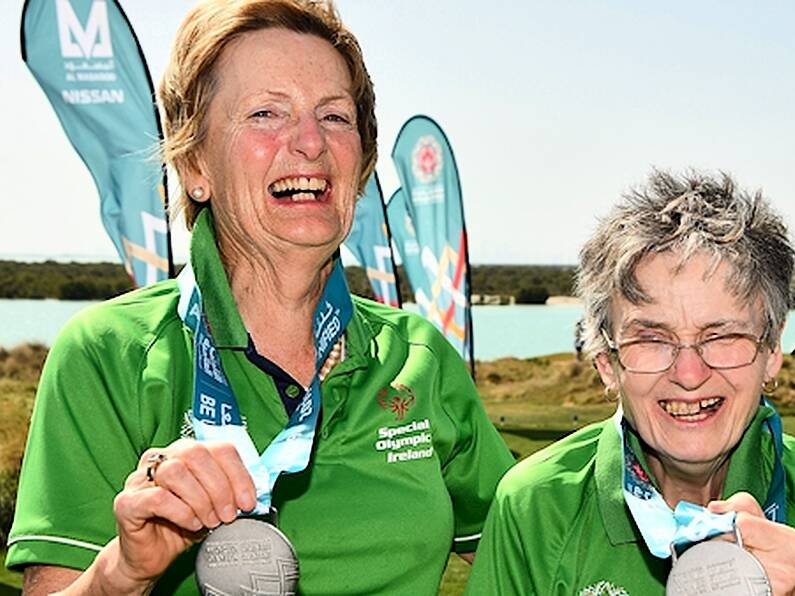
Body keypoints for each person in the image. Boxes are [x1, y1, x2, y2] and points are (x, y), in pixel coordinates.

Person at [6, 1, 513, 593]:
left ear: (362, 158)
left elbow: (535, 545)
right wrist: (124, 572)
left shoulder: (417, 356)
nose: (309, 144)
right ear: (195, 162)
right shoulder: (108, 353)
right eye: (267, 112)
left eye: (334, 116)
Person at [466, 170, 795, 595]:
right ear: (606, 362)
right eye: (652, 339)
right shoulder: (535, 506)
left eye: (722, 336)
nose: (689, 375)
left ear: (771, 351)